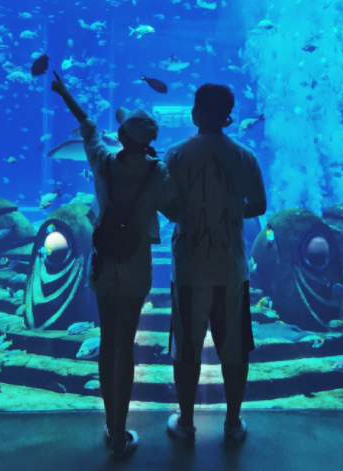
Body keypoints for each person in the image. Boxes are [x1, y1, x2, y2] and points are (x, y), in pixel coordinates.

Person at [51, 72, 181, 460]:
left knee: (108, 343)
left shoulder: (103, 161)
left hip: (104, 264)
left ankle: (111, 427)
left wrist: (64, 92)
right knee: (126, 344)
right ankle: (121, 432)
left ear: (121, 136)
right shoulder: (158, 171)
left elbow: (89, 126)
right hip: (137, 266)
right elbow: (176, 209)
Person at [163, 83, 267, 447]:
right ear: (227, 115)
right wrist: (229, 209)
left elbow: (167, 205)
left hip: (189, 269)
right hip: (230, 268)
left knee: (186, 350)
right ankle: (233, 423)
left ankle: (186, 423)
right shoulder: (244, 156)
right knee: (234, 349)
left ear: (196, 112)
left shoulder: (176, 154)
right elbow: (259, 204)